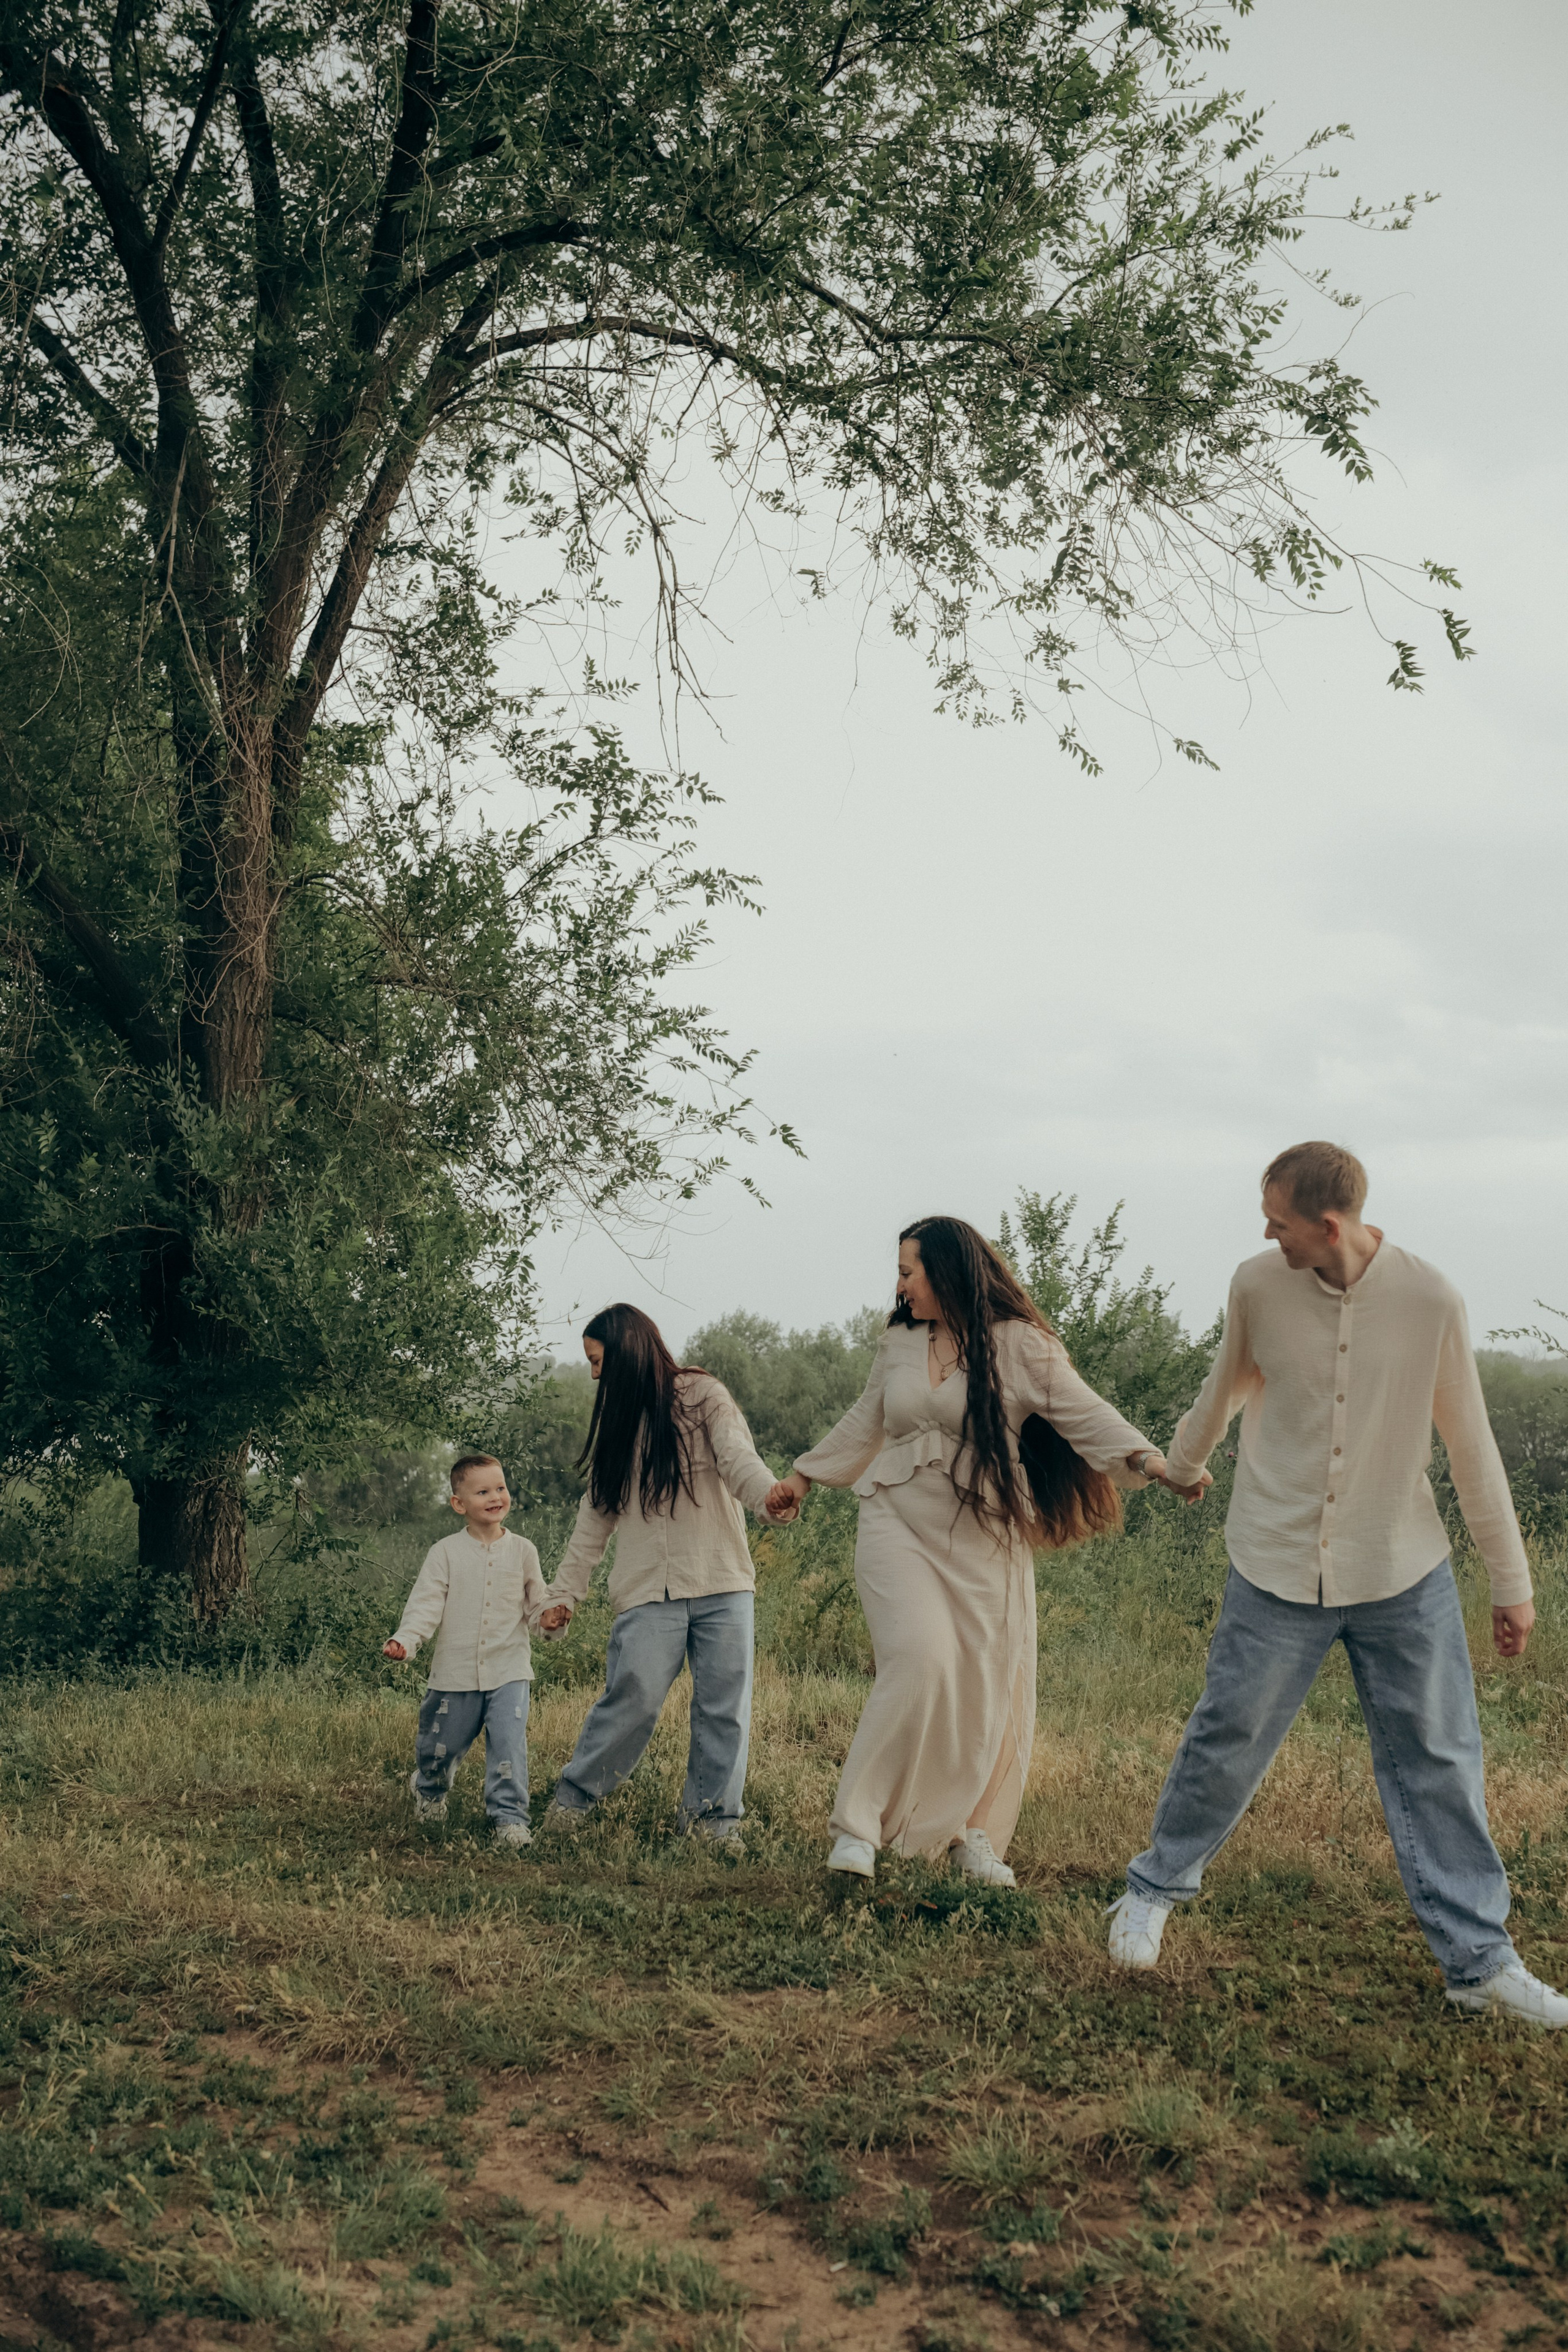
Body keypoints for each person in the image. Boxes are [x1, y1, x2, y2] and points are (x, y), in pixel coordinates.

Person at [1109, 1140, 1568, 2027]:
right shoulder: (1257, 1285)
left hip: (1401, 1566)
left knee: (1440, 1757)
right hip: (1274, 1557)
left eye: (1277, 1219)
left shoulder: (1430, 1299)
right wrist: (1181, 1465)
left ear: (1328, 1225)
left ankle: (1479, 1966)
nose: (1266, 1232)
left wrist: (1512, 1583)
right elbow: (1225, 1386)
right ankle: (1153, 1890)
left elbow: (1471, 1444)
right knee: (1228, 1732)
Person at [767, 1216, 1182, 1887]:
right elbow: (864, 1418)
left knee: (986, 1687)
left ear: (947, 1272)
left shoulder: (1020, 1347)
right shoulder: (899, 1344)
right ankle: (857, 1830)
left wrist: (1148, 1458)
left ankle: (967, 1831)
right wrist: (803, 1475)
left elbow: (1084, 1413)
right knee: (917, 1659)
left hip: (982, 1534)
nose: (899, 1287)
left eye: (909, 1272)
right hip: (894, 1521)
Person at [537, 1303, 791, 1853]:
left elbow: (737, 1460)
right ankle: (573, 1802)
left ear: (627, 1351)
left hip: (722, 1581)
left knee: (725, 1708)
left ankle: (712, 1827)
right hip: (649, 1589)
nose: (594, 1374)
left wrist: (770, 1497)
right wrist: (564, 1596)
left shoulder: (702, 1396)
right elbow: (593, 1520)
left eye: (598, 1361)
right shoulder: (617, 1422)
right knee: (635, 1697)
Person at [383, 1453, 548, 1850]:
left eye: (501, 1488)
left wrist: (551, 1619)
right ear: (460, 1504)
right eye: (483, 1491)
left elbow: (538, 1606)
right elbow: (426, 1604)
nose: (496, 1496)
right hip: (454, 1673)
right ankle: (429, 1790)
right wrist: (406, 1640)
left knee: (509, 1745)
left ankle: (510, 1821)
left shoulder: (524, 1551)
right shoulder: (445, 1553)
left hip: (509, 1670)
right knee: (441, 1747)